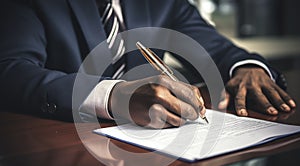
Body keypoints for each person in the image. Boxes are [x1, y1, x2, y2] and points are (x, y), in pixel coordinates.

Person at [0, 0, 296, 128]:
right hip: (56, 160)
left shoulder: (161, 2)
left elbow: (215, 47)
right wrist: (114, 96)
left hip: (151, 157)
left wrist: (246, 68)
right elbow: (12, 72)